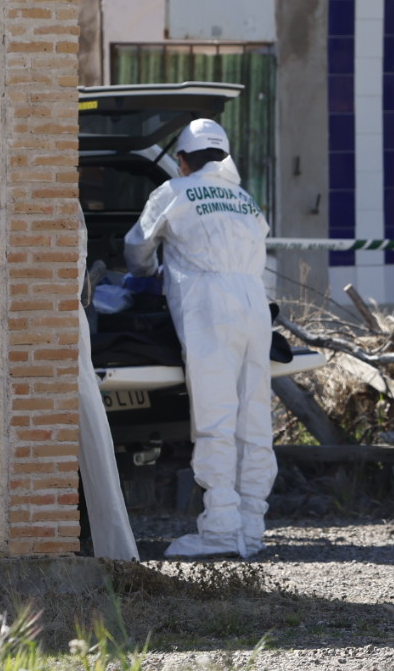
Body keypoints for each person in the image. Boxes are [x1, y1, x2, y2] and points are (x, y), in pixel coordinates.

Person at [125, 118, 274, 559]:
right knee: (254, 416)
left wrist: (146, 274)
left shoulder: (174, 192)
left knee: (216, 416)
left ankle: (222, 532)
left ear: (183, 161)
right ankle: (252, 526)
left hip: (209, 303)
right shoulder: (244, 198)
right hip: (254, 301)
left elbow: (137, 249)